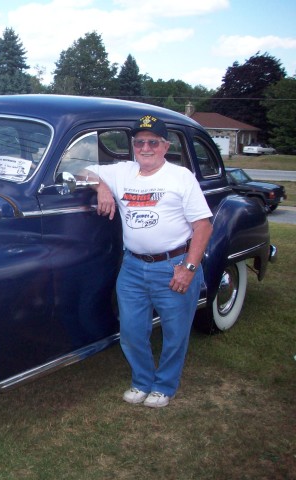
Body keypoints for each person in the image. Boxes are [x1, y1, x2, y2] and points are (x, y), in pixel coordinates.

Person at [83, 114, 213, 408]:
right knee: (130, 331)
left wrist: (189, 268)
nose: (145, 147)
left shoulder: (180, 177)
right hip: (132, 267)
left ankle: (164, 386)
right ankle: (142, 381)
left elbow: (203, 226)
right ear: (133, 146)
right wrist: (101, 186)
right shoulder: (123, 172)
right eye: (139, 142)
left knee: (174, 332)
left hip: (173, 265)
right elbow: (80, 171)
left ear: (165, 146)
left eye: (153, 142)